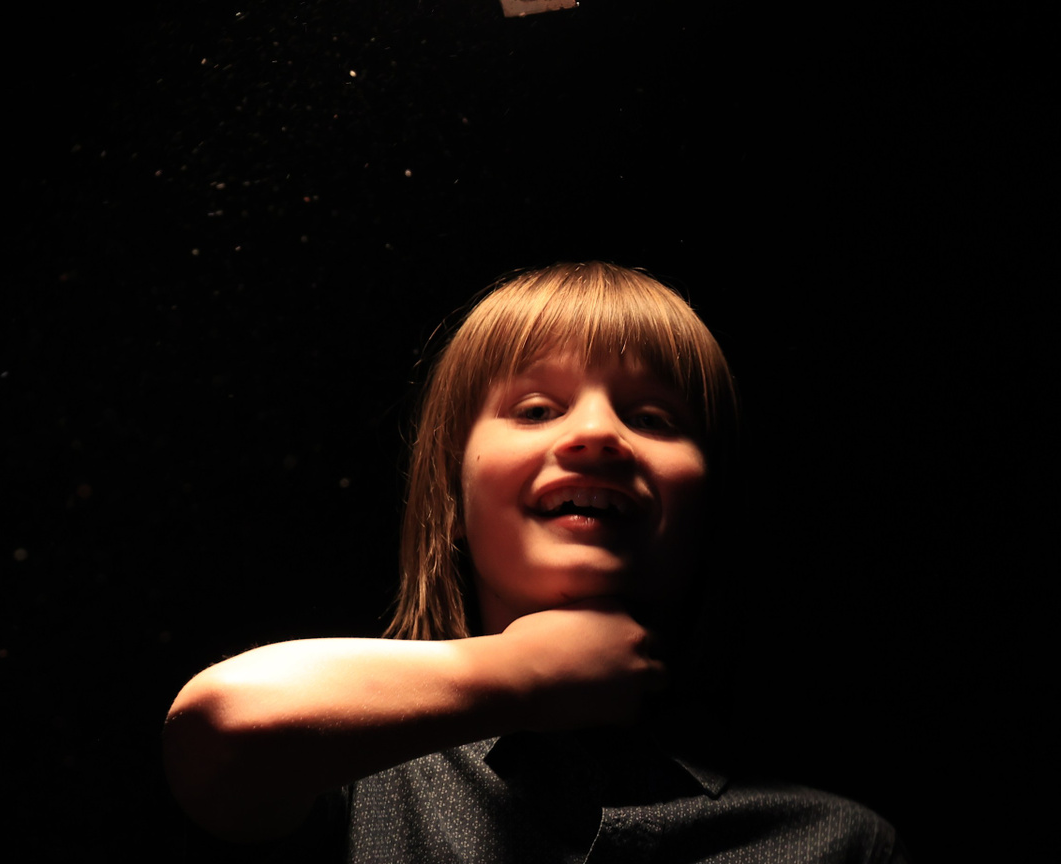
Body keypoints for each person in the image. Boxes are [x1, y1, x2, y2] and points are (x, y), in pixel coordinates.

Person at [162, 261, 908, 861]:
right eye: (536, 410)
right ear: (451, 498)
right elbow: (220, 722)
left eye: (652, 418)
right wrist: (521, 675)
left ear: (711, 504)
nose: (598, 434)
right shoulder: (358, 777)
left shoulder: (840, 844)